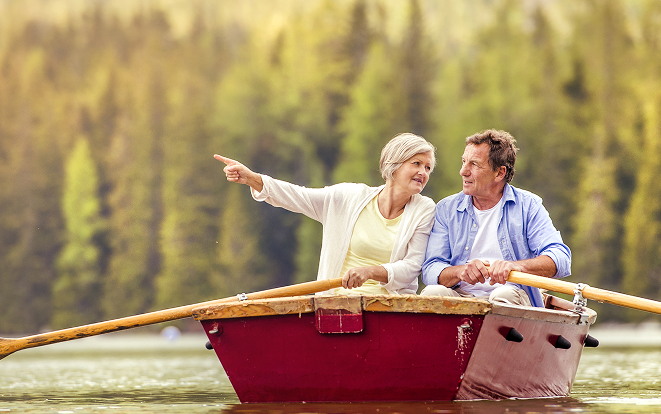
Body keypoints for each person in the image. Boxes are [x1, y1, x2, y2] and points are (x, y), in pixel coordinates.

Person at [214, 133, 437, 295]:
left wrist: (370, 272)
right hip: (334, 304)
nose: (423, 172)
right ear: (393, 165)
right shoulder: (350, 197)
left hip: (390, 309)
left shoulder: (424, 209)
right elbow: (299, 197)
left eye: (427, 168)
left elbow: (411, 267)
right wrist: (253, 178)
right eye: (416, 163)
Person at [420, 129, 570, 307]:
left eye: (474, 164)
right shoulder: (446, 208)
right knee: (432, 292)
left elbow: (561, 258)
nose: (463, 171)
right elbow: (430, 269)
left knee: (503, 294)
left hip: (511, 295)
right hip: (461, 297)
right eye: (464, 162)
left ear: (499, 173)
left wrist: (517, 267)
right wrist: (461, 272)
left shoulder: (528, 206)